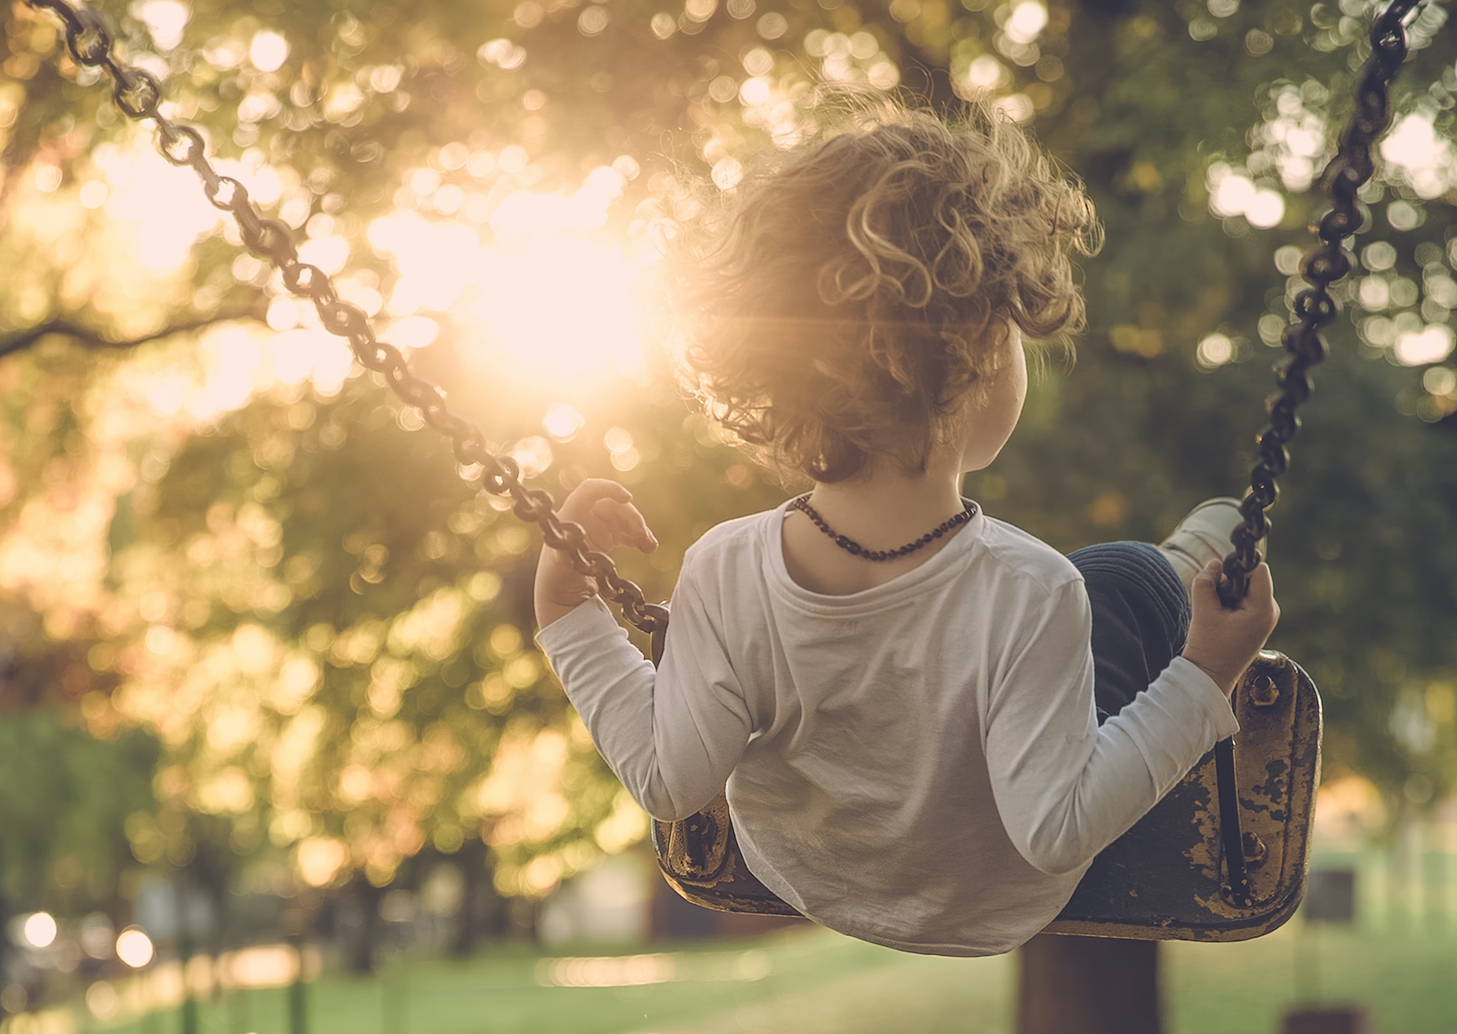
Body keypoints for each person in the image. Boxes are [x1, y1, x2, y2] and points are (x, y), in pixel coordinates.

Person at [532, 104, 1280, 956]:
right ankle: (1180, 574)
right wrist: (1209, 672)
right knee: (1125, 580)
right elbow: (1057, 830)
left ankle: (1175, 572)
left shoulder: (724, 569)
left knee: (1090, 594)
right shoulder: (1034, 591)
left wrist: (570, 617)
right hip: (992, 899)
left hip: (807, 876)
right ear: (968, 353)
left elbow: (669, 781)